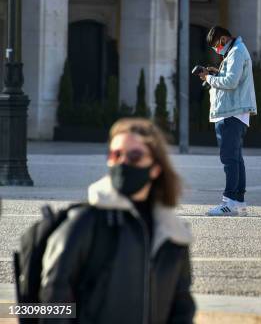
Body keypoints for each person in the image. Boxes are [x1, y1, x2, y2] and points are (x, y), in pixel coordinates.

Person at [40, 118, 195, 323]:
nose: (123, 163)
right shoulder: (85, 222)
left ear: (156, 167)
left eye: (134, 156)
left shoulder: (172, 233)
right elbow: (50, 301)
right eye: (115, 155)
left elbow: (181, 307)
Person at [199, 26, 257, 216]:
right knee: (235, 158)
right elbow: (232, 78)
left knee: (229, 158)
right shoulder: (235, 51)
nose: (217, 50)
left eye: (217, 45)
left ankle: (229, 201)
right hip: (235, 111)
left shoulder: (237, 52)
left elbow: (231, 82)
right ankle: (239, 202)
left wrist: (209, 78)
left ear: (223, 39)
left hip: (231, 112)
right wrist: (217, 73)